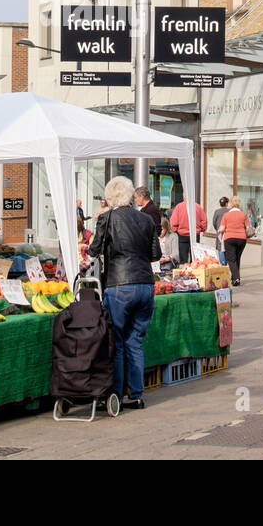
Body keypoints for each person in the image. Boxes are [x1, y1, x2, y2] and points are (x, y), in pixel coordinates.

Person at [90, 175, 158, 409]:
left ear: (110, 197)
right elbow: (155, 255)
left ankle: (115, 395)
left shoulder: (106, 219)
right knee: (136, 342)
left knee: (116, 342)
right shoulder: (146, 220)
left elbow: (94, 249)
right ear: (130, 196)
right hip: (145, 284)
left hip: (119, 285)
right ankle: (137, 395)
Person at [217, 195, 249, 287]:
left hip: (230, 238)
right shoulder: (243, 214)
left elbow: (222, 228)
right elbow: (248, 227)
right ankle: (235, 279)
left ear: (230, 203)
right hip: (242, 239)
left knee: (231, 259)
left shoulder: (226, 215)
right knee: (237, 258)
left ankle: (236, 278)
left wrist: (219, 232)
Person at [169, 199, 207, 264]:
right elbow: (203, 221)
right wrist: (201, 229)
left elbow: (173, 221)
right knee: (195, 259)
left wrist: (176, 230)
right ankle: (194, 272)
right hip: (195, 234)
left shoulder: (179, 207)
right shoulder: (198, 207)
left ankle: (184, 272)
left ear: (184, 197)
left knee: (183, 260)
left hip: (182, 235)